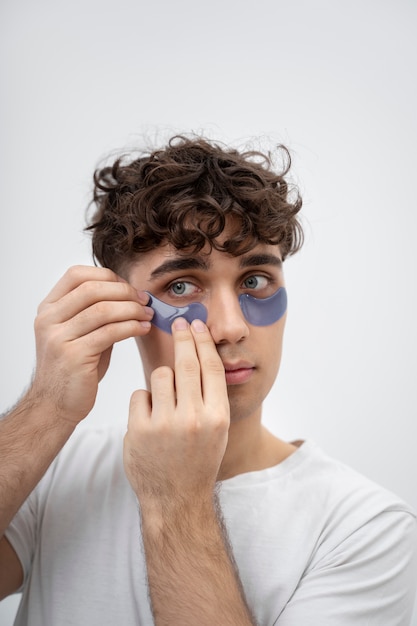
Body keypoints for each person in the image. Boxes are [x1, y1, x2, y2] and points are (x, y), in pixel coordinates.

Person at [0, 135, 416, 626]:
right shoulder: (55, 474)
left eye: (255, 280)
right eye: (180, 286)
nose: (231, 327)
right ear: (114, 303)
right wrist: (49, 406)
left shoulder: (365, 529)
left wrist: (176, 502)